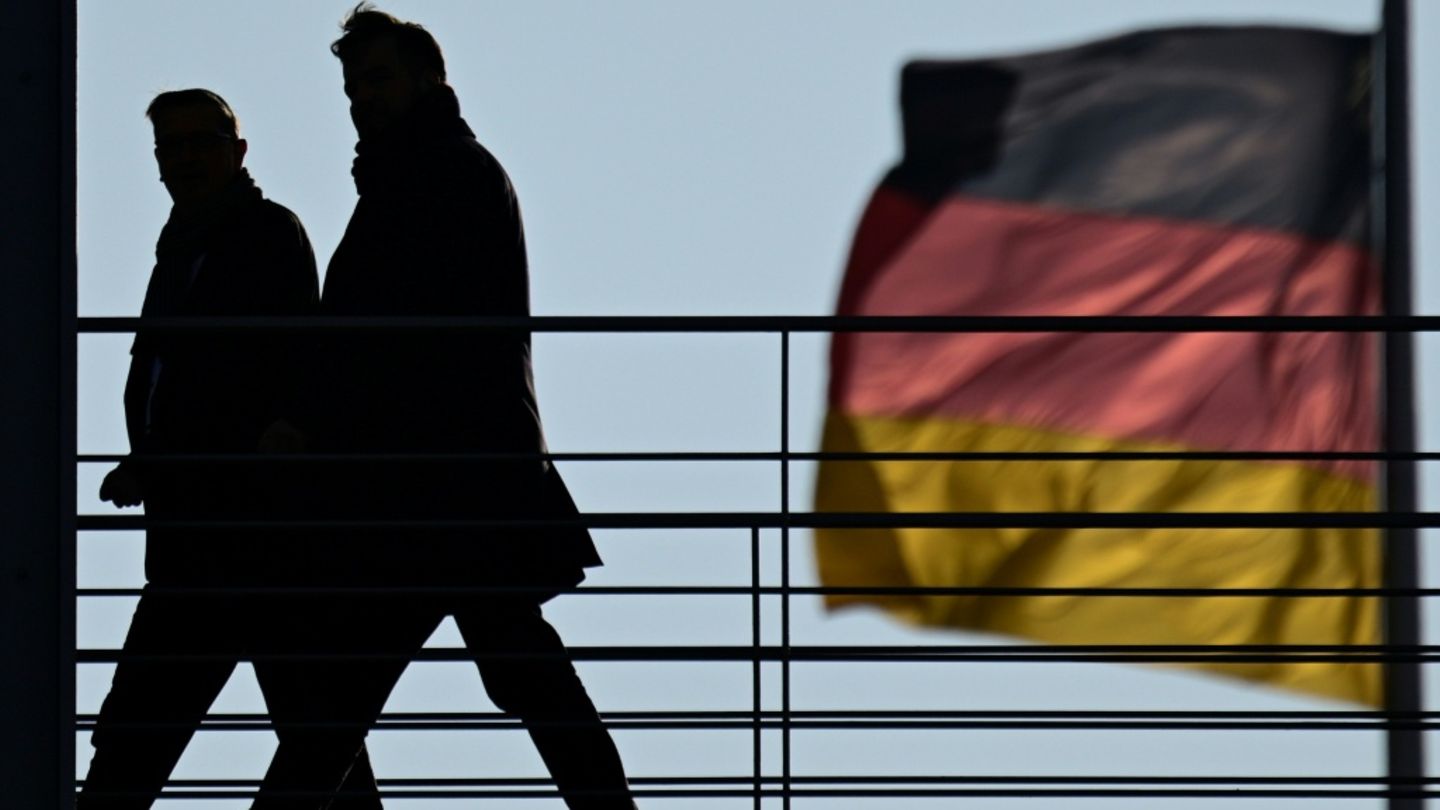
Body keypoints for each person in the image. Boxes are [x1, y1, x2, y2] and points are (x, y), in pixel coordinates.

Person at [251, 6, 636, 809]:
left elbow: (379, 330)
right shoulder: (441, 168)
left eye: (377, 80)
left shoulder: (428, 174)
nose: (361, 99)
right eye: (354, 86)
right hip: (463, 483)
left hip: (428, 486)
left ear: (427, 80)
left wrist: (317, 423)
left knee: (345, 697)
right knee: (515, 673)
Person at [78, 89, 380, 808]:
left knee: (142, 743)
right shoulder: (192, 244)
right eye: (170, 148)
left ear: (235, 151)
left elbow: (266, 369)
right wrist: (149, 457)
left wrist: (162, 454)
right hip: (219, 539)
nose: (182, 160)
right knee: (316, 739)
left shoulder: (251, 235)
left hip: (245, 537)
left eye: (196, 143)